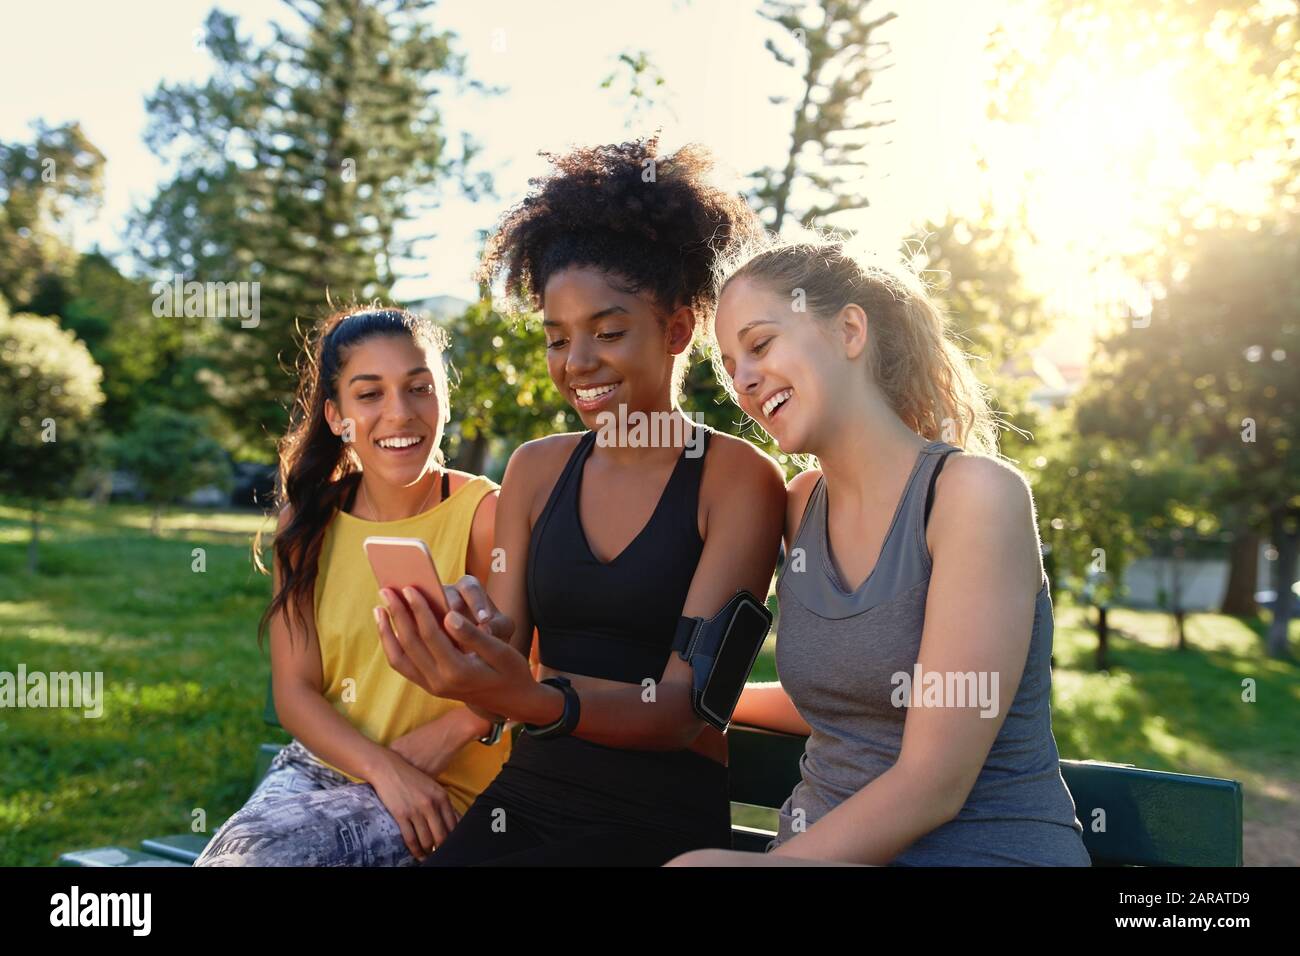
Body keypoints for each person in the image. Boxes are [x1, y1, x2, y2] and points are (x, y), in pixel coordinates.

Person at [373, 139, 786, 866]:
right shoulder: (535, 469)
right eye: (557, 338)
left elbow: (687, 709)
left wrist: (532, 697)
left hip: (657, 825)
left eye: (608, 332)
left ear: (680, 328)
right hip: (526, 802)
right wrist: (466, 636)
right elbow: (508, 643)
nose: (577, 364)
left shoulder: (737, 479)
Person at [669, 234, 1090, 866]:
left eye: (760, 345)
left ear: (850, 331)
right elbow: (857, 696)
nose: (745, 382)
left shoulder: (973, 497)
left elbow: (933, 784)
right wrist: (694, 702)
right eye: (730, 368)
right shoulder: (799, 503)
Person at [195, 308, 508, 866]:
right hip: (323, 765)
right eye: (370, 395)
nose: (400, 413)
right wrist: (383, 768)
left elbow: (533, 668)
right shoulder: (307, 521)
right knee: (241, 856)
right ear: (337, 416)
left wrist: (464, 724)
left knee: (257, 858)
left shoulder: (487, 515)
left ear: (444, 400)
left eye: (419, 388)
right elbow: (295, 692)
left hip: (443, 791)